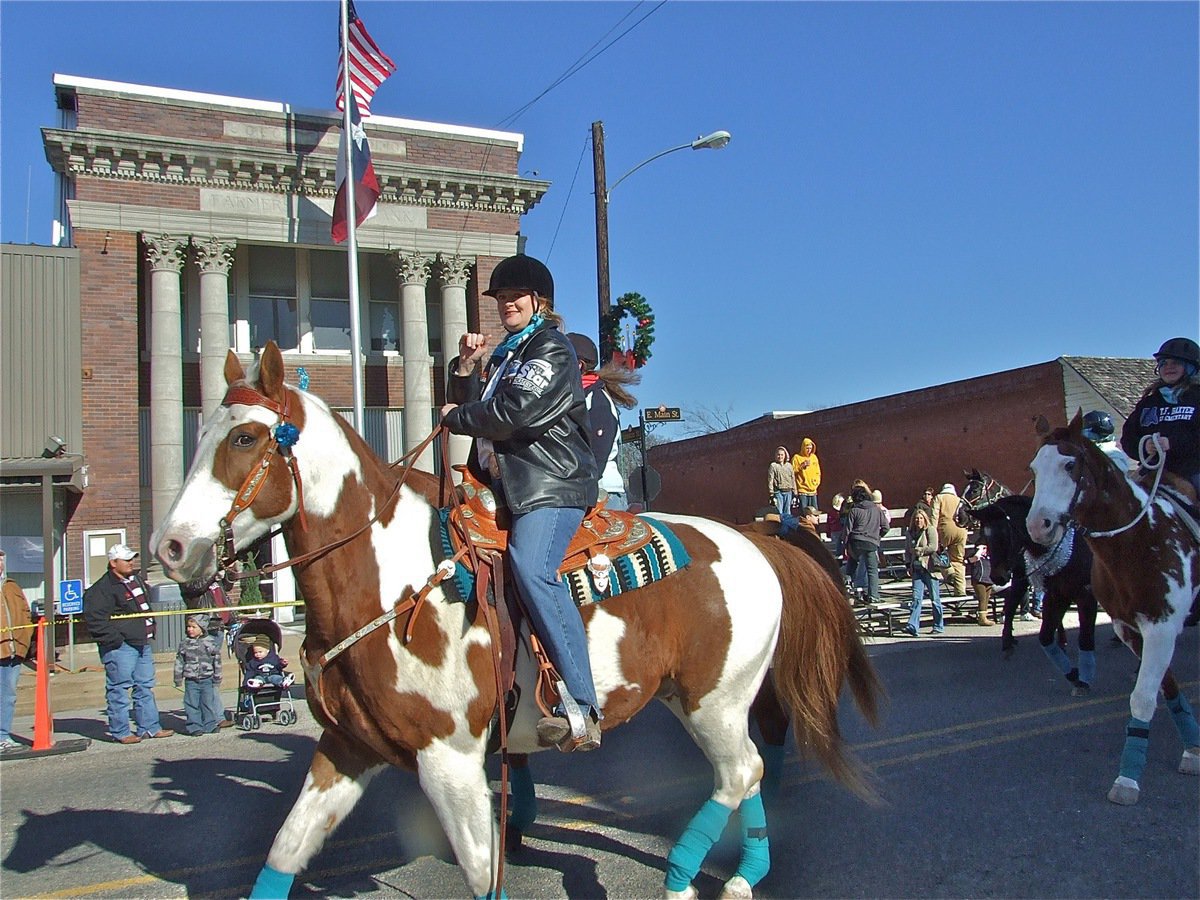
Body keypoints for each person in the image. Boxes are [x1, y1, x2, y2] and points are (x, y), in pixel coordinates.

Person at [441, 253, 602, 753]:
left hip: (549, 486)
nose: (505, 304)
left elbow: (513, 414)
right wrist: (466, 369)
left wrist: (457, 415)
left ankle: (583, 705)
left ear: (540, 302)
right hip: (505, 486)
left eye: (515, 297)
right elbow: (479, 406)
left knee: (532, 566)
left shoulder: (549, 349)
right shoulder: (509, 354)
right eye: (500, 298)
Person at [82, 544, 174, 744]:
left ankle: (149, 727)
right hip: (120, 647)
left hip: (142, 643)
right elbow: (95, 620)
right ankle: (121, 731)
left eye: (132, 558)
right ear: (113, 563)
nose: (131, 562)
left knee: (145, 686)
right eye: (126, 559)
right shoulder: (102, 589)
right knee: (119, 689)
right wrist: (116, 639)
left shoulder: (136, 580)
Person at [565, 332, 639, 512]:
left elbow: (597, 456)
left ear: (578, 365)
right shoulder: (570, 398)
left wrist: (576, 494)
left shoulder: (597, 401)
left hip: (603, 494)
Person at [1120, 337, 1200, 497]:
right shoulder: (1148, 403)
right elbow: (1128, 437)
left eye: (1175, 363)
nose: (1168, 367)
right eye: (1163, 363)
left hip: (1192, 471)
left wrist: (1173, 443)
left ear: (1191, 367)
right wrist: (1144, 447)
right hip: (1152, 471)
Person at [173, 613, 229, 735]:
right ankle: (194, 726)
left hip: (207, 678)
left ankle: (209, 724)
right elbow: (179, 661)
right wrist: (178, 677)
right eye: (188, 627)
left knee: (207, 703)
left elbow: (217, 661)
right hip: (191, 680)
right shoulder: (185, 643)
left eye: (194, 627)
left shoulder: (210, 642)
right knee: (191, 703)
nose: (190, 629)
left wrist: (217, 676)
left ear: (202, 628)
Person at [0, 550, 33, 751]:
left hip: (13, 651)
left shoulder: (12, 587)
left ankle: (3, 735)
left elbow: (25, 613)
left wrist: (24, 638)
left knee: (8, 695)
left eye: (1, 559)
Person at [844, 484, 888, 605]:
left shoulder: (854, 510)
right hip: (871, 543)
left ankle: (848, 587)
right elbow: (886, 527)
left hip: (855, 542)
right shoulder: (877, 510)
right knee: (872, 570)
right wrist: (877, 536)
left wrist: (845, 545)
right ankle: (873, 595)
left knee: (852, 563)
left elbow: (847, 530)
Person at [903, 509, 943, 636]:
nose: (918, 521)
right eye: (916, 518)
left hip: (929, 568)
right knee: (916, 598)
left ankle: (938, 625)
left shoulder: (930, 530)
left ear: (925, 519)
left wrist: (920, 550)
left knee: (935, 598)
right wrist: (908, 564)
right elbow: (907, 550)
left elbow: (933, 546)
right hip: (917, 569)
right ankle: (913, 625)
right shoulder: (910, 533)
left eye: (920, 518)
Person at [933, 484, 968, 595]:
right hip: (961, 530)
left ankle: (949, 573)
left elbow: (934, 516)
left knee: (938, 553)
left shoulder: (939, 498)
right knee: (958, 560)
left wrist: (933, 533)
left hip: (945, 529)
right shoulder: (959, 499)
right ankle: (960, 590)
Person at [968, 544, 997, 626]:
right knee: (982, 598)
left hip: (988, 579)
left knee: (987, 599)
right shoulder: (975, 553)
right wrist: (978, 552)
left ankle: (984, 616)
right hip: (979, 579)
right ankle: (982, 618)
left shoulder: (990, 554)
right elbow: (970, 560)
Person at [790, 438, 821, 511]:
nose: (809, 450)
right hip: (802, 489)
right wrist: (801, 467)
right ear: (803, 447)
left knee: (814, 511)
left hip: (813, 489)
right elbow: (791, 472)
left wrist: (817, 482)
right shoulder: (797, 458)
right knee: (804, 511)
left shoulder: (814, 457)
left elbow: (818, 472)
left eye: (810, 448)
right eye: (807, 448)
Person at [768, 446, 796, 518]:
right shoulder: (773, 466)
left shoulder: (789, 466)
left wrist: (795, 493)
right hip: (778, 492)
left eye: (782, 455)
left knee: (787, 512)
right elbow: (770, 479)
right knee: (779, 512)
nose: (780, 456)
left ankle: (787, 528)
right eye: (778, 454)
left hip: (788, 492)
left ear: (785, 455)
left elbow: (793, 479)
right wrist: (771, 494)